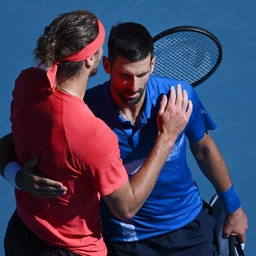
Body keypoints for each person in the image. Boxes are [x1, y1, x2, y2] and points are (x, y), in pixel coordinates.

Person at [0, 21, 247, 255]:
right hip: (122, 240)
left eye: (142, 74)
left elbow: (204, 149)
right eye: (125, 75)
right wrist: (16, 175)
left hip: (186, 226)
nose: (133, 85)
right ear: (107, 66)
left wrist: (233, 208)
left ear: (153, 64)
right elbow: (12, 141)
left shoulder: (179, 97)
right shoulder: (84, 112)